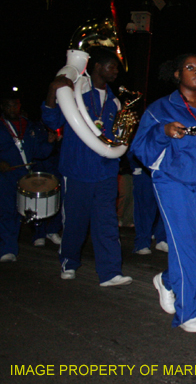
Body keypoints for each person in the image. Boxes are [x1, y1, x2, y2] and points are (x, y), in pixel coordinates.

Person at [131, 53, 196, 333]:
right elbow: (139, 149)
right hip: (173, 182)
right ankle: (188, 313)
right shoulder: (160, 108)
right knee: (187, 248)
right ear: (177, 74)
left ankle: (166, 280)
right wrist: (163, 131)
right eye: (190, 67)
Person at [42, 47, 132, 286]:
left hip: (105, 171)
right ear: (96, 67)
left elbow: (117, 138)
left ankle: (110, 272)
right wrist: (54, 90)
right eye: (111, 66)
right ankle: (69, 262)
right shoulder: (74, 92)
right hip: (77, 170)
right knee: (75, 223)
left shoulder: (114, 101)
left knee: (107, 223)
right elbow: (51, 120)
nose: (115, 72)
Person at [1, 92, 56, 261]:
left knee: (23, 212)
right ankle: (7, 249)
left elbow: (40, 152)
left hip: (25, 176)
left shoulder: (29, 126)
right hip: (6, 176)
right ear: (2, 107)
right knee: (6, 211)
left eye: (15, 105)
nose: (13, 108)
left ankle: (33, 237)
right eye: (9, 105)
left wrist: (50, 142)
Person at [127, 148, 167, 255]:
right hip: (144, 169)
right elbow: (137, 142)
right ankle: (142, 243)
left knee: (166, 207)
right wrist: (136, 164)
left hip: (164, 169)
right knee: (145, 208)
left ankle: (162, 238)